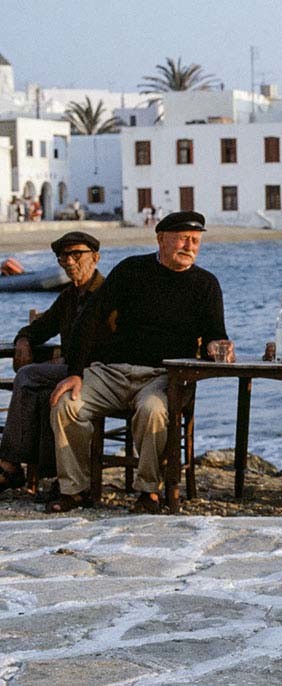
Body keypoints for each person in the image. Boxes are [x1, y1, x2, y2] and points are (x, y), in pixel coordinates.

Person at [48, 211, 233, 514]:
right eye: (183, 239)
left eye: (196, 240)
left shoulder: (206, 284)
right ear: (161, 239)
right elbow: (89, 319)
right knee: (66, 401)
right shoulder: (131, 270)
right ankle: (75, 490)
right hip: (113, 371)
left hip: (166, 375)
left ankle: (149, 492)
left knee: (152, 410)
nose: (190, 246)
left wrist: (217, 346)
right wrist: (75, 373)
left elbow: (216, 335)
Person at [0, 232, 104, 496]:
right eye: (63, 257)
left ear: (95, 258)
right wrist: (24, 339)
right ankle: (55, 474)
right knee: (44, 392)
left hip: (99, 372)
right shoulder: (69, 296)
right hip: (70, 371)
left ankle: (10, 464)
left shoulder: (107, 293)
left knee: (26, 377)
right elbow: (40, 328)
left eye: (76, 255)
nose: (69, 262)